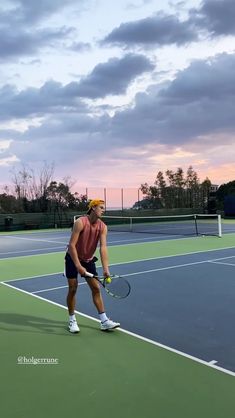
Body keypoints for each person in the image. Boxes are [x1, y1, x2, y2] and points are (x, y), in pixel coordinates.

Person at [64, 199, 120, 333]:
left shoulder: (103, 227)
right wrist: (78, 266)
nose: (103, 210)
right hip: (73, 257)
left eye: (103, 208)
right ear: (93, 208)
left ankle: (104, 321)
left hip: (88, 260)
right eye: (101, 207)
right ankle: (72, 320)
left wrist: (106, 269)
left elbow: (103, 248)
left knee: (96, 288)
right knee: (73, 288)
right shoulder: (80, 222)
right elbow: (72, 246)